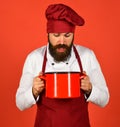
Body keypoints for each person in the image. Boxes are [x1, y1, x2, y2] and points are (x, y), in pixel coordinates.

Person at [16, 3, 109, 127]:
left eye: (67, 35)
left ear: (73, 35)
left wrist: (90, 89)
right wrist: (33, 91)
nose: (62, 41)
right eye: (56, 35)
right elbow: (20, 103)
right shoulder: (35, 58)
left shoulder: (87, 56)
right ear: (48, 34)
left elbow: (104, 99)